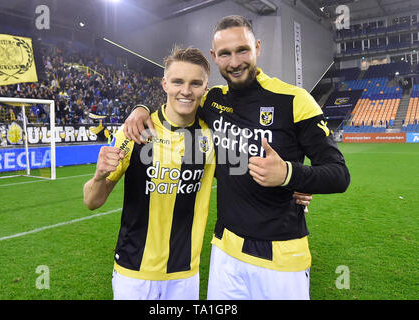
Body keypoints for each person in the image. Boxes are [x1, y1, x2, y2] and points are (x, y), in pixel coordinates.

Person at [122, 15, 350, 300]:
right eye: (226, 54)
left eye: (242, 50)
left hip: (282, 257)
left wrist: (290, 175)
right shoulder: (212, 101)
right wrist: (140, 109)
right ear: (214, 57)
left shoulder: (294, 100)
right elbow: (179, 100)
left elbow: (339, 174)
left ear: (257, 47)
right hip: (225, 255)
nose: (235, 62)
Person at [83, 47, 216, 300]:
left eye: (195, 83)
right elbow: (91, 201)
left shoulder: (211, 137)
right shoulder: (136, 131)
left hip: (185, 275)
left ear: (205, 88)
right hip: (133, 272)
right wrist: (99, 176)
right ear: (165, 84)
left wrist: (292, 190)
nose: (186, 91)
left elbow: (244, 179)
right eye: (178, 81)